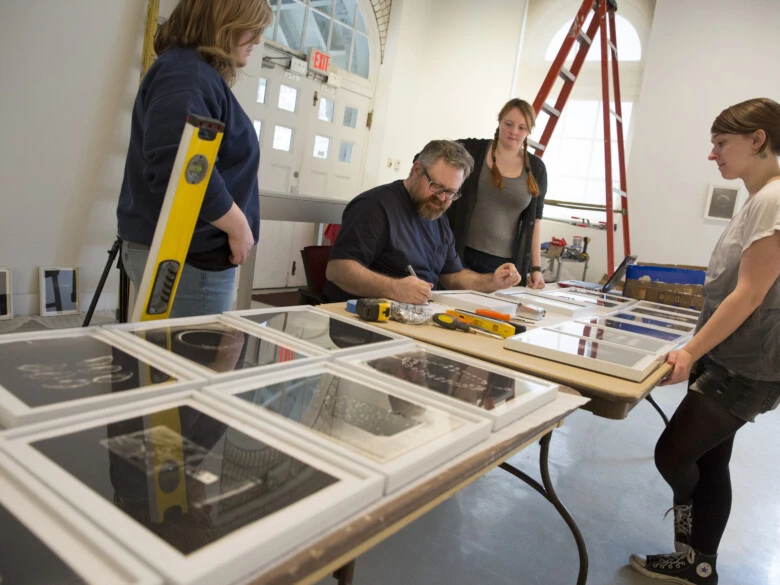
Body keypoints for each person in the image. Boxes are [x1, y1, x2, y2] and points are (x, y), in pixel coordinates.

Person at [629, 97, 780, 585]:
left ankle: (692, 552)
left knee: (674, 454)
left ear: (757, 140)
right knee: (711, 458)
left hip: (747, 368)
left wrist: (691, 352)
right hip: (733, 358)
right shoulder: (758, 199)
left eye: (720, 143)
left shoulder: (774, 199)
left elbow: (751, 292)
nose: (712, 154)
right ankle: (695, 562)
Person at [117, 0, 273, 317]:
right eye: (253, 29)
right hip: (187, 258)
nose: (258, 40)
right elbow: (181, 166)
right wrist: (239, 226)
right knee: (191, 363)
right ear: (225, 21)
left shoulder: (190, 73)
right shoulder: (186, 76)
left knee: (175, 361)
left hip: (188, 255)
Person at [323, 140, 522, 303]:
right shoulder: (374, 207)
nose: (443, 199)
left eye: (451, 193)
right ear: (417, 170)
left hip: (415, 317)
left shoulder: (437, 216)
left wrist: (492, 281)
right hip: (363, 324)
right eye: (438, 187)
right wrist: (394, 288)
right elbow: (338, 270)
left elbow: (453, 277)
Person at [447, 98, 548, 289]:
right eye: (508, 124)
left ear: (528, 131)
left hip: (503, 265)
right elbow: (433, 154)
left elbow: (536, 220)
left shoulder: (537, 168)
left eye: (521, 127)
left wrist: (536, 268)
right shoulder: (473, 150)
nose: (514, 131)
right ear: (499, 122)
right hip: (459, 254)